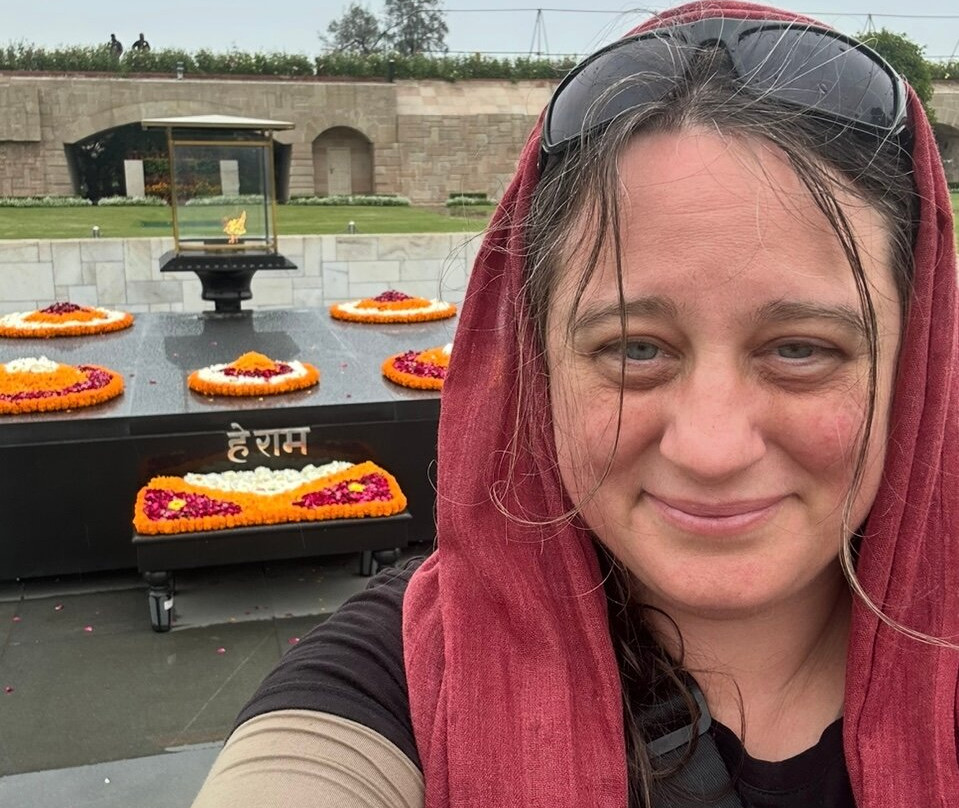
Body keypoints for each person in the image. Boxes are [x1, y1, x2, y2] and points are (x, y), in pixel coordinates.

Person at [192, 1, 959, 806]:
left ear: (911, 364)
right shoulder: (399, 677)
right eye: (635, 349)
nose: (711, 449)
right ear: (537, 363)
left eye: (799, 350)